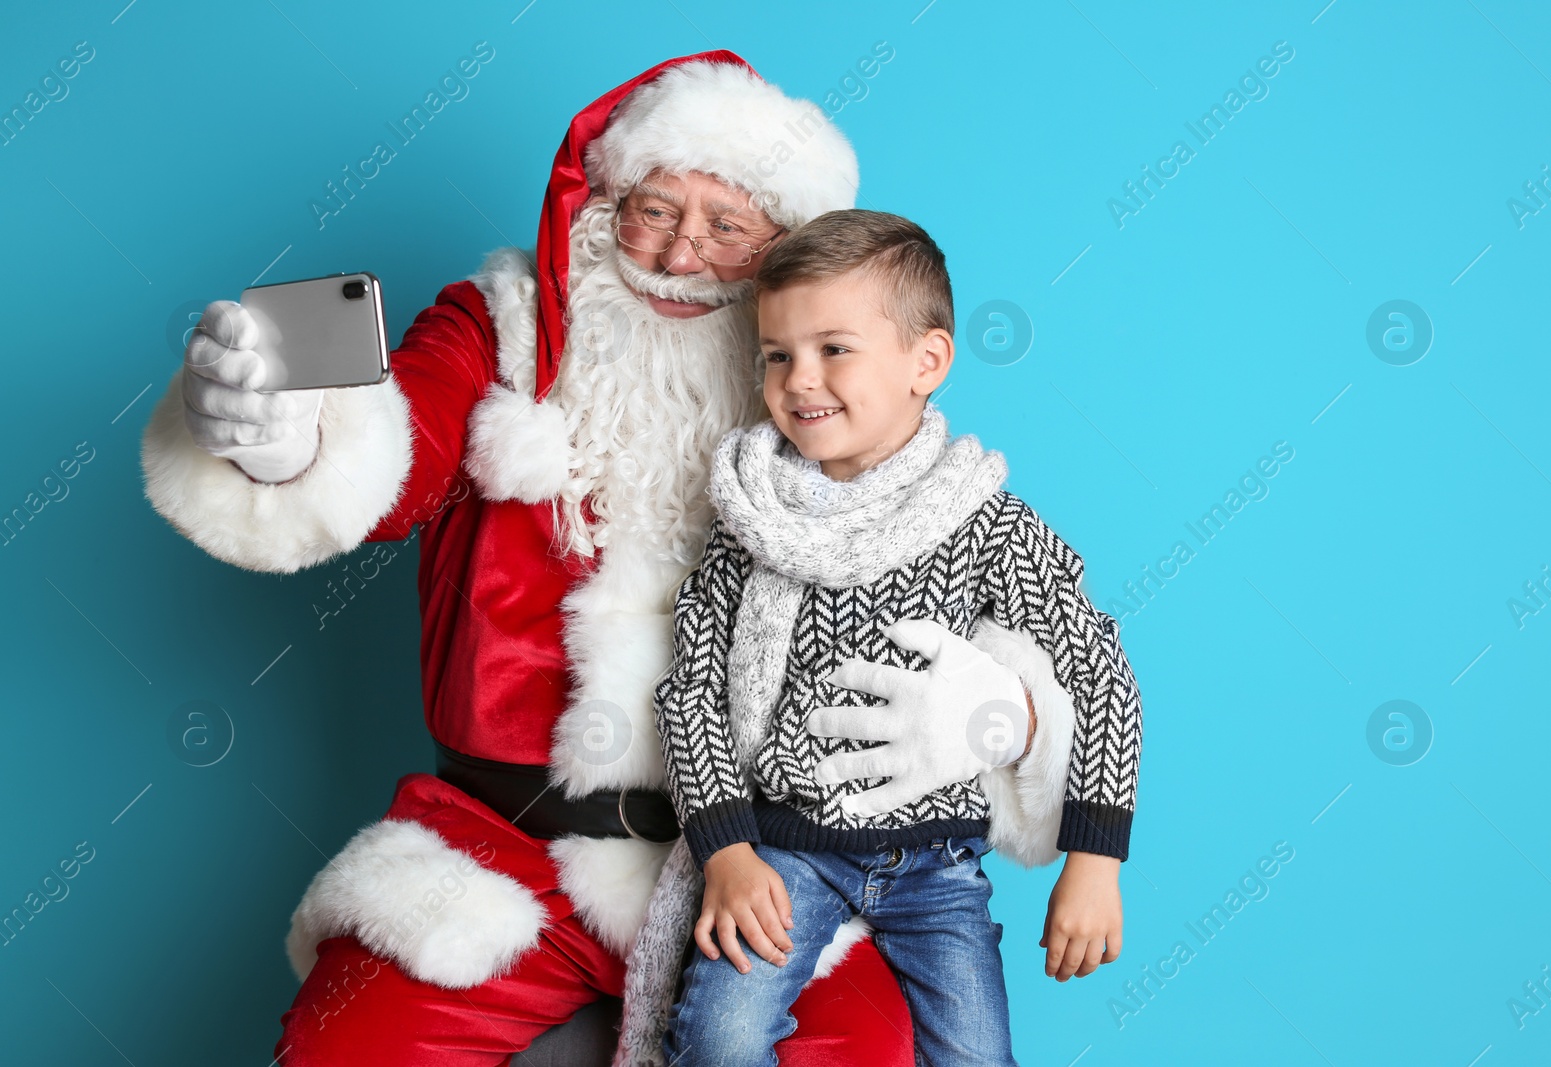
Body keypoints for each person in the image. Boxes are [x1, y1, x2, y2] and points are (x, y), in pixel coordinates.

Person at [139, 53, 1065, 1066]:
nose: (677, 255)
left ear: (781, 254)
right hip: (499, 849)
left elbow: (975, 575)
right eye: (651, 209)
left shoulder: (826, 391)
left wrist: (1002, 708)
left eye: (727, 228)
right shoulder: (499, 329)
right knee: (341, 1045)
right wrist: (283, 442)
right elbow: (397, 451)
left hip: (776, 856)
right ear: (597, 200)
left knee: (868, 1050)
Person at [643, 210, 1145, 1065]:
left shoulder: (984, 523)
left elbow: (1098, 672)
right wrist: (724, 848)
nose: (801, 379)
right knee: (716, 1039)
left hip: (936, 862)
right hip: (788, 845)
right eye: (777, 354)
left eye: (835, 348)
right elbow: (691, 691)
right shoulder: (749, 522)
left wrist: (1094, 862)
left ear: (928, 361)